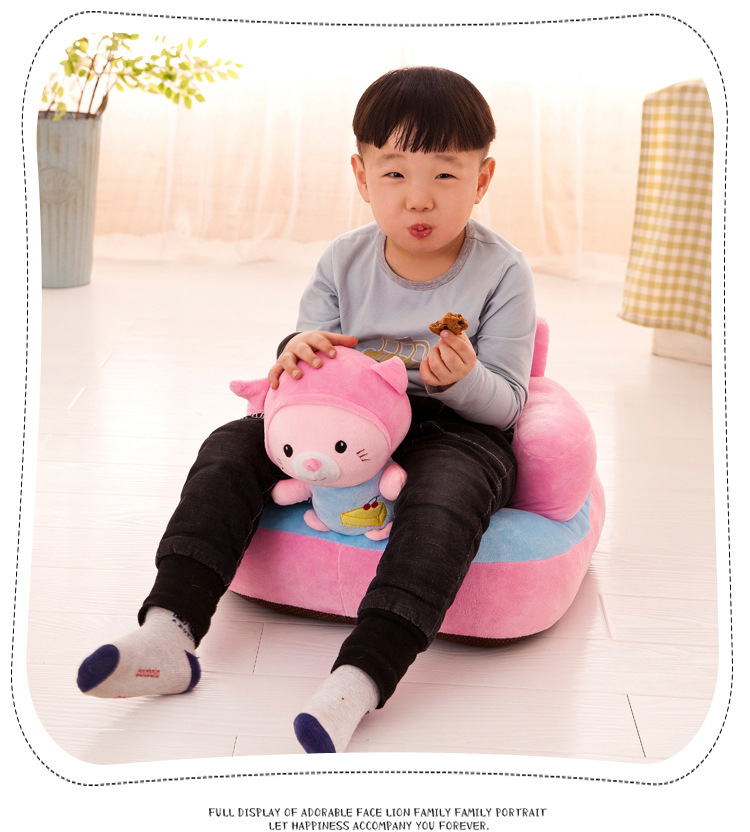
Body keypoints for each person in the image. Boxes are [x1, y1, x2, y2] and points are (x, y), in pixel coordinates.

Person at [77, 66, 537, 754]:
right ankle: (169, 630)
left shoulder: (503, 272)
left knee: (448, 494)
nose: (419, 197)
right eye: (394, 173)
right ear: (361, 175)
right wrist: (296, 348)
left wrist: (465, 379)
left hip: (453, 428)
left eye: (445, 174)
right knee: (231, 444)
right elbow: (300, 367)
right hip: (342, 426)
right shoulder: (343, 261)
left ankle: (361, 675)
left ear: (483, 177)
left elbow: (508, 405)